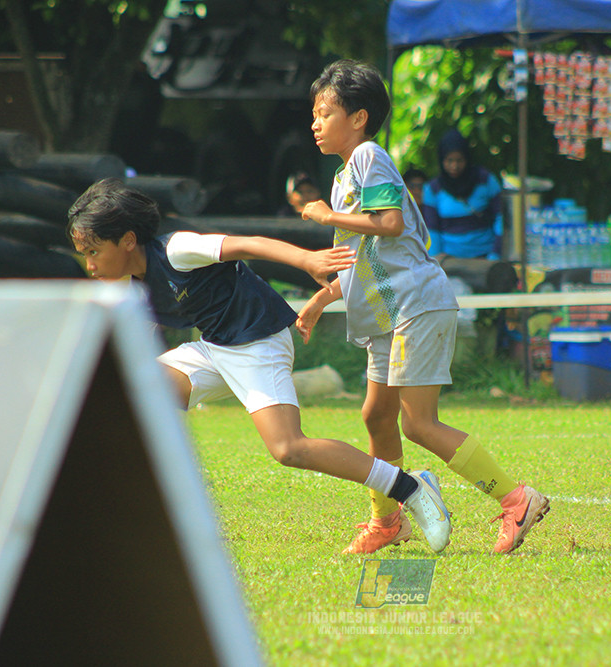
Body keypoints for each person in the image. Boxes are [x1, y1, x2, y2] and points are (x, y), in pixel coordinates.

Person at [67, 177, 453, 552]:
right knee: (139, 391)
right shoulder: (133, 281)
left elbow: (247, 244)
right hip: (214, 347)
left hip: (259, 342)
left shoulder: (177, 249)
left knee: (289, 449)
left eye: (93, 252)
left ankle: (410, 488)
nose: (89, 265)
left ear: (128, 240)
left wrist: (307, 260)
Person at [297, 59, 549, 554]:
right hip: (388, 313)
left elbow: (389, 224)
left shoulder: (369, 156)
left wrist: (328, 215)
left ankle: (517, 499)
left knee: (417, 423)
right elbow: (358, 256)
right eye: (315, 114)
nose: (315, 123)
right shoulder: (345, 175)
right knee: (375, 416)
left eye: (324, 112)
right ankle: (387, 521)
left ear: (359, 117)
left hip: (417, 304)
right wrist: (318, 301)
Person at [421, 128, 503, 260]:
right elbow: (432, 230)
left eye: (459, 160)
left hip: (485, 256)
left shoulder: (486, 180)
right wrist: (436, 261)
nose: (455, 166)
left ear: (467, 158)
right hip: (450, 260)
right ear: (442, 160)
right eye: (449, 161)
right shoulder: (432, 189)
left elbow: (500, 217)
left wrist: (495, 254)